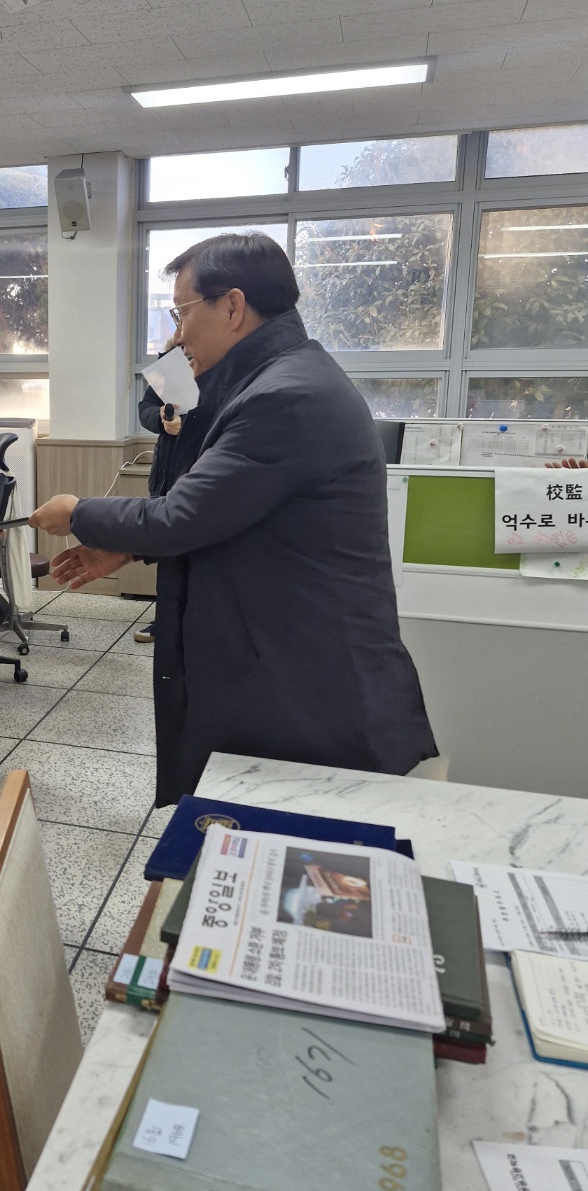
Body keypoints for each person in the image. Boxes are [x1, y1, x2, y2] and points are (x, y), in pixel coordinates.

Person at [32, 232, 437, 807]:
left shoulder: (285, 396)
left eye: (182, 312)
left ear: (233, 306)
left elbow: (181, 517)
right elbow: (228, 513)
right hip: (285, 663)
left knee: (295, 844)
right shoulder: (279, 378)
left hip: (308, 687)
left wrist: (78, 512)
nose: (177, 335)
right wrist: (128, 547)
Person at [134, 328, 185, 643]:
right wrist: (162, 419)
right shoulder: (169, 367)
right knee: (166, 553)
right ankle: (164, 620)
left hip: (194, 471)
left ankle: (189, 621)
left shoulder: (217, 367)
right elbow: (145, 408)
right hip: (165, 472)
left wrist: (184, 424)